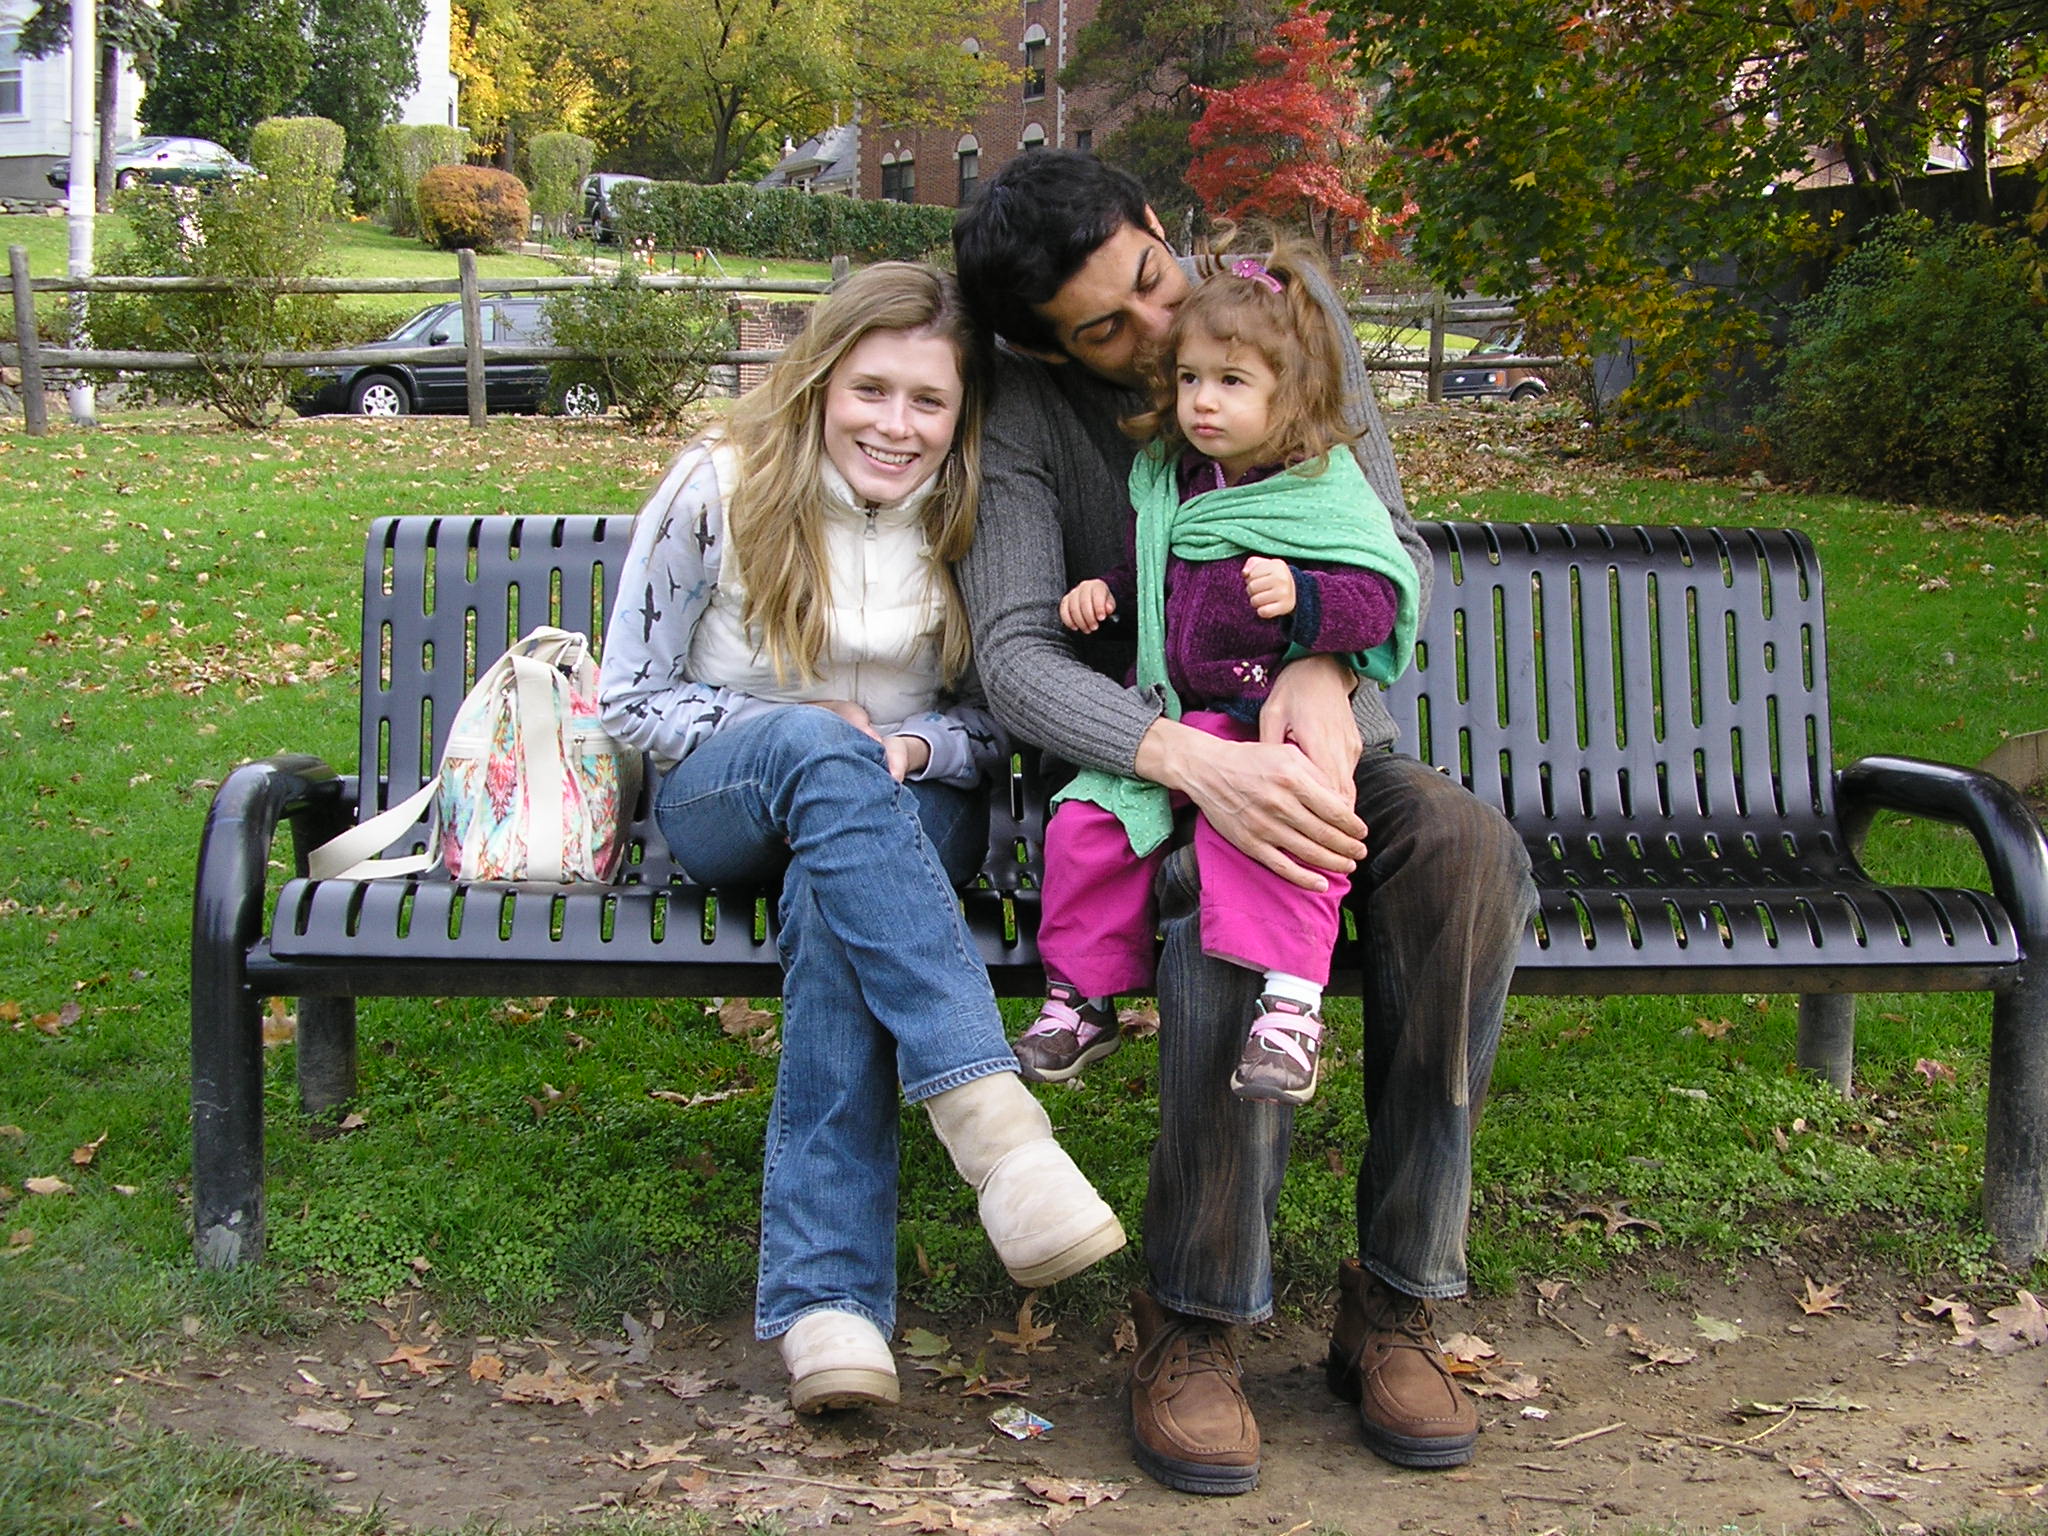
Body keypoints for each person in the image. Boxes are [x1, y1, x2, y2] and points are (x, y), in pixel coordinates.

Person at [952, 153, 1537, 1493]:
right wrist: (1188, 762)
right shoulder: (1025, 412)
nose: (1156, 329)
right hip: (1149, 766)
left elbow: (1393, 546)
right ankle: (1196, 1316)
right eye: (1103, 330)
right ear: (1043, 345)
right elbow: (1016, 655)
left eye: (1150, 280)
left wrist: (1323, 663)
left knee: (1465, 853)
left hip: (1324, 740)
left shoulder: (1282, 314)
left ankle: (1397, 1298)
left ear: (1158, 228)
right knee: (1229, 879)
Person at [598, 261, 1126, 1418]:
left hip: (906, 798)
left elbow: (999, 715)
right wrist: (800, 732)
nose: (896, 425)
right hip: (728, 795)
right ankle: (999, 1140)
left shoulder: (973, 506)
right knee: (814, 749)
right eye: (870, 390)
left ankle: (829, 1311)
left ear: (960, 411)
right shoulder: (720, 484)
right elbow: (630, 699)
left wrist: (912, 748)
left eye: (927, 401)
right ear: (820, 381)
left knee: (837, 896)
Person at [1018, 241, 1423, 1108]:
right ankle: (1082, 996)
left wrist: (1307, 603)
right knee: (1086, 822)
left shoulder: (1319, 487)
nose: (1202, 401)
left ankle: (1291, 1007)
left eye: (1231, 382)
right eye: (1190, 379)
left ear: (1291, 393)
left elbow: (1380, 599)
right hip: (1178, 718)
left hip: (1269, 721)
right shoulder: (1177, 482)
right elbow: (1158, 567)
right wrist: (1109, 594)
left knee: (1278, 831)